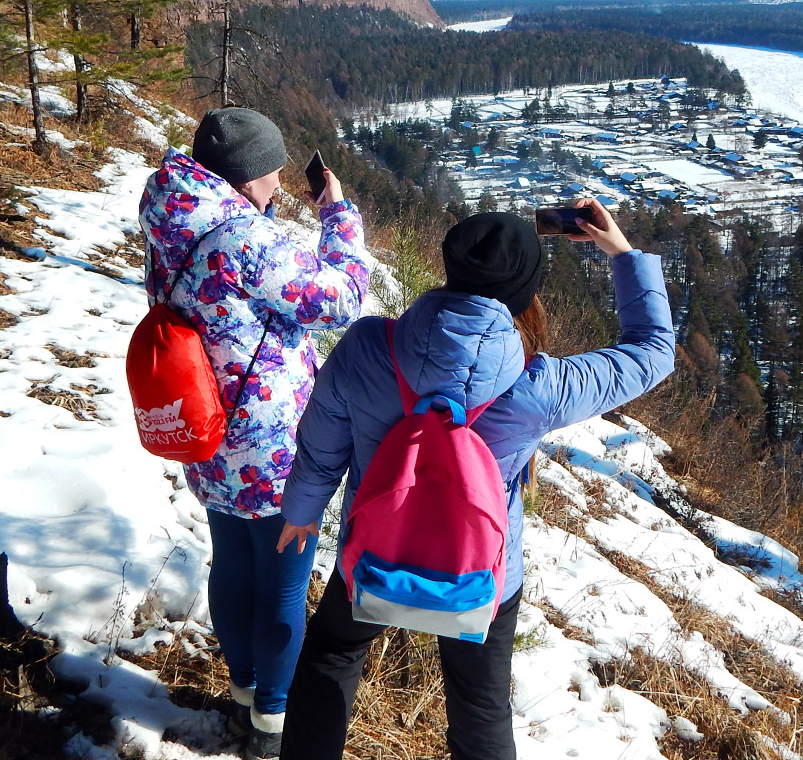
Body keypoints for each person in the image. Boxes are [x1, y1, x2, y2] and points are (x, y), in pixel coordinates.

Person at [274, 202, 674, 760]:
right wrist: (623, 255)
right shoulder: (540, 386)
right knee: (480, 704)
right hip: (481, 572)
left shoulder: (368, 347)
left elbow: (321, 447)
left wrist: (302, 511)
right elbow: (653, 351)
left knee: (331, 657)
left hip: (373, 552)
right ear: (526, 293)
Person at [138, 107, 371, 760]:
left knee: (234, 565)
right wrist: (338, 215)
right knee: (285, 587)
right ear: (243, 177)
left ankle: (243, 695)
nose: (276, 182)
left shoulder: (171, 211)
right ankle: (271, 724)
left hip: (204, 423)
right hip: (270, 446)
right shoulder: (244, 238)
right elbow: (343, 295)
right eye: (270, 171)